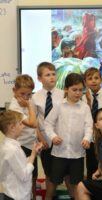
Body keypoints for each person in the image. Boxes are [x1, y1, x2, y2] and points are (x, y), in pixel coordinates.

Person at [44, 73, 93, 200]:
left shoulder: (85, 107)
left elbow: (89, 126)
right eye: (74, 90)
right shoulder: (59, 106)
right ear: (66, 89)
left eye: (80, 90)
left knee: (76, 184)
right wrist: (53, 136)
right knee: (53, 182)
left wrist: (87, 139)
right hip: (59, 153)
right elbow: (48, 123)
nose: (78, 93)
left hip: (77, 154)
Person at [32, 62, 65, 200]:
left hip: (61, 140)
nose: (52, 77)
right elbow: (34, 123)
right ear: (39, 78)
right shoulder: (35, 97)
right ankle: (49, 197)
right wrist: (41, 139)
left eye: (53, 74)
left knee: (65, 172)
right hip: (45, 140)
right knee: (49, 173)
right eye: (47, 75)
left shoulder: (64, 94)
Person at [0, 110, 43, 200]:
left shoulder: (11, 146)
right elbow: (24, 175)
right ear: (12, 128)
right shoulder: (12, 150)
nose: (23, 126)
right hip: (17, 196)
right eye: (20, 124)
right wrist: (33, 155)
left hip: (17, 194)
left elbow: (20, 164)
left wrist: (33, 152)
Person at [8, 74, 38, 200]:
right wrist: (29, 105)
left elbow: (36, 123)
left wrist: (39, 138)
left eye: (29, 94)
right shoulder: (14, 107)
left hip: (32, 145)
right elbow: (32, 123)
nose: (26, 97)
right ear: (14, 90)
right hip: (21, 146)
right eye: (22, 94)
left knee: (33, 177)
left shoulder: (28, 100)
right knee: (23, 179)